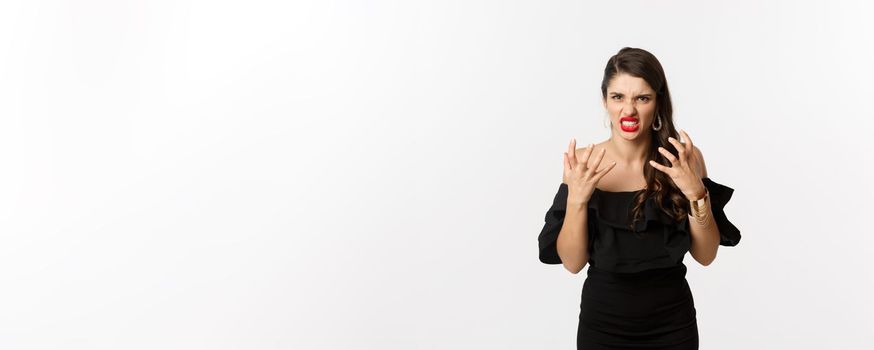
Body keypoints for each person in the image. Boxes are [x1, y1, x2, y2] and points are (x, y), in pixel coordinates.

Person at [537, 47, 741, 349]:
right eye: (618, 97)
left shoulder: (685, 160)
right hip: (603, 327)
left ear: (658, 102)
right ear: (605, 100)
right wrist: (577, 200)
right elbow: (572, 262)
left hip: (673, 326)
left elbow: (705, 255)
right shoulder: (582, 162)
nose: (628, 110)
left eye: (642, 98)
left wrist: (695, 193)